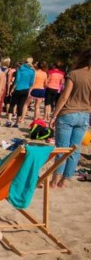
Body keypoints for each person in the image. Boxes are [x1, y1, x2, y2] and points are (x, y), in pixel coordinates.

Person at [49, 48, 91, 188]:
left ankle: (55, 180)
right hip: (84, 115)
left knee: (62, 148)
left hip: (68, 113)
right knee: (75, 149)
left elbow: (64, 97)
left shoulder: (74, 74)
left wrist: (54, 115)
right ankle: (64, 180)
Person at [6, 58, 35, 128]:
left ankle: (9, 121)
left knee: (12, 104)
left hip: (18, 89)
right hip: (25, 90)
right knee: (20, 106)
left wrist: (12, 89)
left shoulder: (20, 69)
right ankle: (16, 123)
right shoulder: (32, 71)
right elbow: (32, 83)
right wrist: (29, 91)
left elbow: (17, 80)